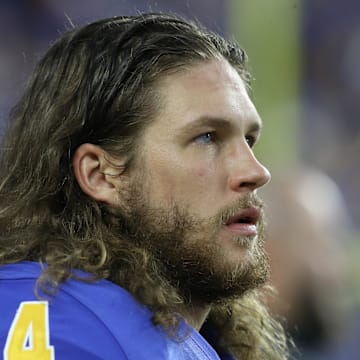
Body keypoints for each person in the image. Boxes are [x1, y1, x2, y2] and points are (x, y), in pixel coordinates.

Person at [0, 13, 289, 360]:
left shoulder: (193, 338)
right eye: (207, 137)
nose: (256, 171)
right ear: (100, 175)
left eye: (249, 139)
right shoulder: (71, 334)